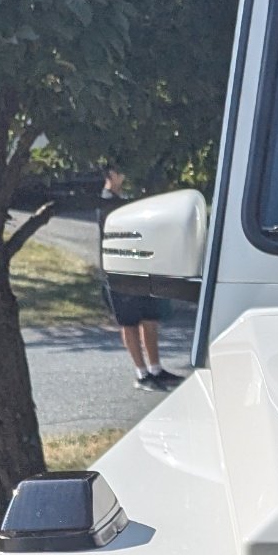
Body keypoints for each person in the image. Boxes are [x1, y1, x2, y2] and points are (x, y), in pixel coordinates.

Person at [98, 166, 179, 390]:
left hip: (140, 269)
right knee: (130, 323)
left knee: (150, 320)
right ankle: (142, 374)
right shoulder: (105, 203)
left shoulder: (124, 200)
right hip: (119, 272)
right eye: (119, 173)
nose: (123, 177)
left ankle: (156, 368)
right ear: (110, 175)